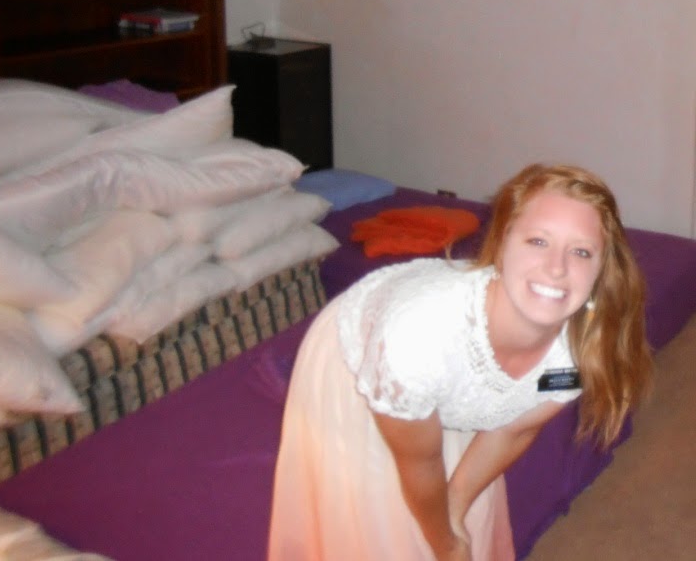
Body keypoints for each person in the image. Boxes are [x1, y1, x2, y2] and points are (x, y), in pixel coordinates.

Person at [266, 163, 652, 560]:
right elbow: (421, 462)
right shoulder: (417, 344)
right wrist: (447, 545)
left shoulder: (580, 347)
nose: (557, 268)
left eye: (581, 251)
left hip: (442, 363)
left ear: (601, 269)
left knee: (458, 512)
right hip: (360, 362)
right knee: (386, 526)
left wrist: (455, 509)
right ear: (501, 245)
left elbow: (514, 429)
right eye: (538, 241)